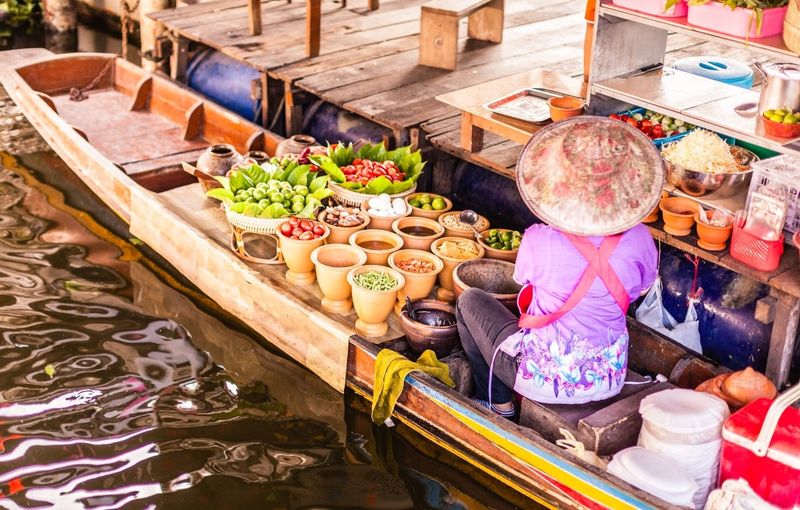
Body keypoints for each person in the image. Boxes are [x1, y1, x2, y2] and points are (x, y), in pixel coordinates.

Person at [456, 117, 663, 417]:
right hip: (609, 377)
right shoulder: (642, 239)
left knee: (469, 301)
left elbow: (521, 280)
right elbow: (638, 289)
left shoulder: (540, 240)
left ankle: (499, 404)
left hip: (542, 378)